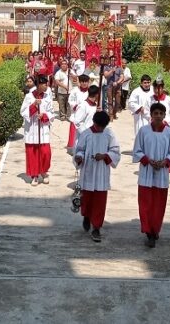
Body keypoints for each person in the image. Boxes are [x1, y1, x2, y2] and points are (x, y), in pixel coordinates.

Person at [132, 102, 170, 248]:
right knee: (145, 204)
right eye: (155, 113)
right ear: (151, 115)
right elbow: (137, 150)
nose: (158, 116)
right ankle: (148, 232)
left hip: (161, 174)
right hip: (146, 172)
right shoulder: (144, 131)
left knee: (158, 205)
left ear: (164, 115)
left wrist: (166, 161)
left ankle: (155, 229)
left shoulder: (169, 132)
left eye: (161, 113)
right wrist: (147, 160)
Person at [73, 111, 120, 243]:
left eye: (102, 127)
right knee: (87, 199)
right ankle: (87, 216)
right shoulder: (86, 134)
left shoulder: (109, 134)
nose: (100, 129)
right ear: (94, 122)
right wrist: (79, 157)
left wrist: (105, 156)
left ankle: (96, 227)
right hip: (88, 170)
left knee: (100, 201)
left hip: (101, 172)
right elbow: (80, 149)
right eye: (98, 126)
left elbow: (115, 150)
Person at [21, 76, 55, 186]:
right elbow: (23, 112)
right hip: (32, 129)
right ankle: (34, 175)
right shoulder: (29, 97)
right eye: (45, 84)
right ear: (39, 85)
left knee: (46, 153)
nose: (46, 86)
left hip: (43, 128)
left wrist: (44, 116)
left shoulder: (47, 97)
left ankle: (44, 171)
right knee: (33, 153)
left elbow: (51, 112)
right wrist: (34, 105)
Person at [66, 74, 91, 149]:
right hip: (76, 115)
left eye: (85, 82)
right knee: (75, 134)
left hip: (87, 116)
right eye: (82, 81)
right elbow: (70, 100)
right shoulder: (75, 90)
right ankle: (74, 147)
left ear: (88, 82)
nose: (84, 83)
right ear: (79, 82)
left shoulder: (90, 91)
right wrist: (76, 106)